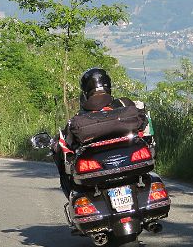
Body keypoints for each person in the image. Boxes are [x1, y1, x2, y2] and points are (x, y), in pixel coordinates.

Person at [51, 67, 145, 195]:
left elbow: (67, 144)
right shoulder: (125, 103)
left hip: (96, 173)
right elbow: (143, 125)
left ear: (85, 91)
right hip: (131, 161)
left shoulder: (79, 118)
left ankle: (73, 193)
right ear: (108, 86)